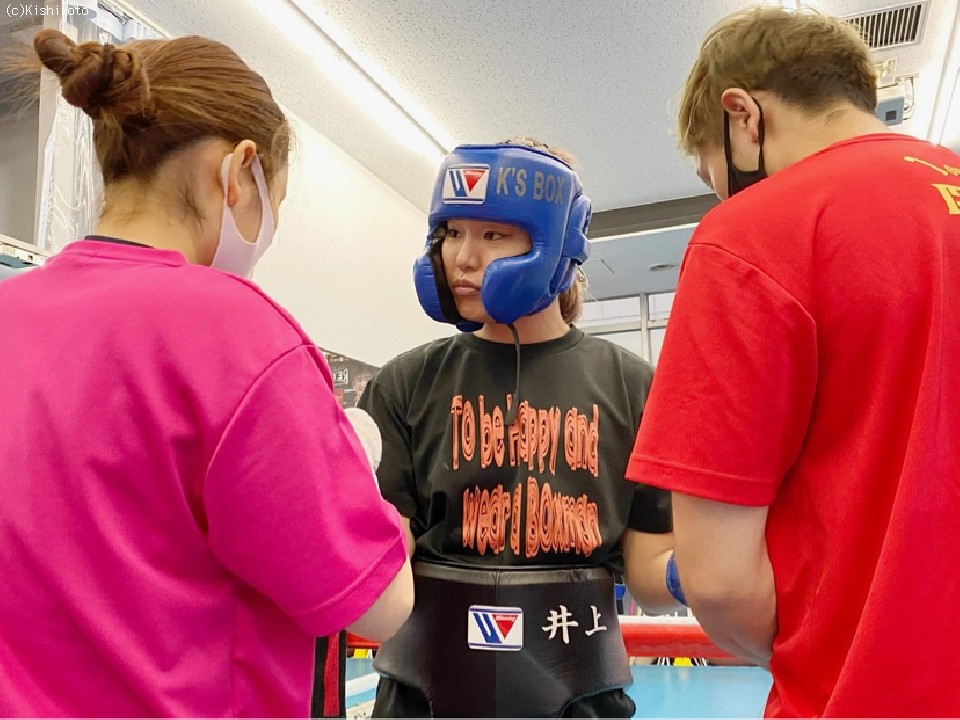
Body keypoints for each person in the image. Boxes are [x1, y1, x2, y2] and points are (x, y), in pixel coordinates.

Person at [0, 30, 413, 716]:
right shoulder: (234, 332)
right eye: (275, 199)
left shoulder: (9, 311)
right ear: (239, 170)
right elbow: (380, 606)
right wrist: (384, 517)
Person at [626, 5, 960, 717]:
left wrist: (804, 649)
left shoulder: (751, 232)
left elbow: (717, 581)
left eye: (712, 171)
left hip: (864, 695)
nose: (721, 192)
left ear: (743, 116)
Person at [357, 137, 679, 718]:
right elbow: (386, 564)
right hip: (421, 699)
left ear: (557, 242)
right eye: (452, 232)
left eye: (494, 235)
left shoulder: (633, 388)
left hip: (579, 695)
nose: (463, 257)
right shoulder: (405, 383)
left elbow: (650, 583)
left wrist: (711, 568)